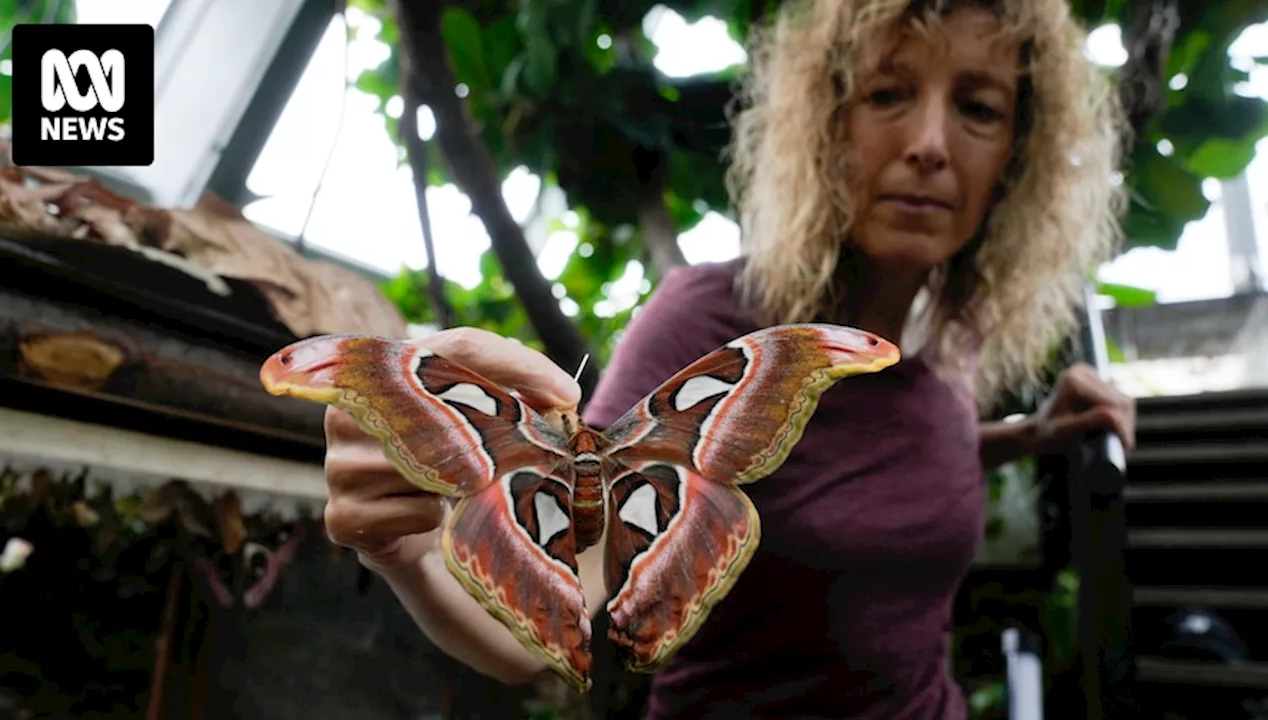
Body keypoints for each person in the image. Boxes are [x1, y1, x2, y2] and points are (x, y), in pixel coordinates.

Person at [319, 0, 1138, 717]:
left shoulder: (943, 338)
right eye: (888, 93)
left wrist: (1025, 436)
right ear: (828, 123)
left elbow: (858, 462)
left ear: (1016, 161)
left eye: (978, 108)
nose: (929, 142)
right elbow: (558, 595)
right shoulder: (714, 322)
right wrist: (414, 556)